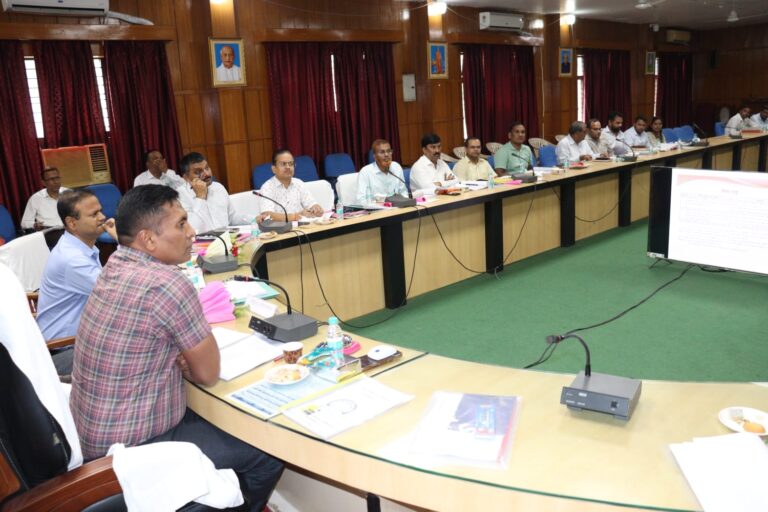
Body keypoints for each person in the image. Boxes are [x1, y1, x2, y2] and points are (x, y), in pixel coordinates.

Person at [70, 185, 283, 510]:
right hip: (134, 450)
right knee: (268, 452)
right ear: (148, 239)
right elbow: (208, 373)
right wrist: (186, 361)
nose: (192, 232)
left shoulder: (115, 264)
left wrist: (181, 358)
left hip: (94, 438)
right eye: (181, 224)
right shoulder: (167, 283)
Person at [36, 189, 117, 343]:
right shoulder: (73, 259)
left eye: (100, 211)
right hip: (66, 345)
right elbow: (119, 294)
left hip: (83, 334)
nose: (103, 217)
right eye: (94, 214)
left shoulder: (79, 246)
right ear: (72, 223)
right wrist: (121, 240)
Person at [175, 152, 252, 233]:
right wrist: (200, 197)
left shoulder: (218, 187)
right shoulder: (179, 196)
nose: (206, 174)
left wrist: (254, 219)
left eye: (207, 168)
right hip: (201, 240)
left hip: (226, 237)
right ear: (186, 178)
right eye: (198, 172)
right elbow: (193, 228)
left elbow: (231, 217)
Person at [256, 149, 323, 222]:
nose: (288, 167)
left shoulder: (299, 183)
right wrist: (294, 217)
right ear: (274, 169)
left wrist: (316, 208)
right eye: (283, 164)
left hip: (302, 226)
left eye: (291, 164)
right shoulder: (267, 187)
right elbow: (266, 214)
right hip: (280, 228)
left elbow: (311, 204)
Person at [356, 139, 409, 204]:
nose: (386, 154)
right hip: (376, 208)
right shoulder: (365, 172)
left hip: (398, 207)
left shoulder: (396, 167)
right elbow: (361, 200)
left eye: (389, 151)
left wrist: (406, 203)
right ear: (374, 156)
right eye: (382, 152)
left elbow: (403, 192)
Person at [20, 167, 68, 231]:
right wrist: (34, 225)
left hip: (71, 229)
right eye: (51, 179)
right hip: (49, 232)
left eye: (57, 178)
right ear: (43, 183)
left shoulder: (69, 193)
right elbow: (24, 223)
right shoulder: (35, 198)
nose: (56, 182)